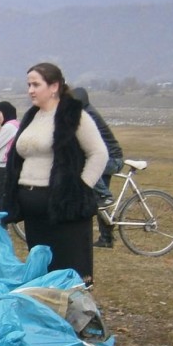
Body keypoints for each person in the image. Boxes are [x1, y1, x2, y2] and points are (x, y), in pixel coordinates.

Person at [2, 63, 108, 285]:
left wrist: (78, 189)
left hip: (63, 213)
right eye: (28, 85)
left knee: (67, 273)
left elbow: (99, 154)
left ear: (54, 87)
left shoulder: (73, 116)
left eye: (36, 85)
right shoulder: (32, 117)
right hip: (34, 214)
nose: (30, 90)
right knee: (42, 273)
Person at [70, 87, 124, 248]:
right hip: (109, 158)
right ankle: (106, 239)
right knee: (99, 202)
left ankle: (106, 196)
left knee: (88, 169)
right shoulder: (85, 112)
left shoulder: (87, 116)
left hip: (112, 159)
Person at [0, 100, 20, 213]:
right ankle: (4, 222)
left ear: (5, 113)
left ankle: (4, 224)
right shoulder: (11, 125)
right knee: (0, 198)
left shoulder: (9, 127)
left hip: (3, 167)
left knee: (0, 198)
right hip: (4, 166)